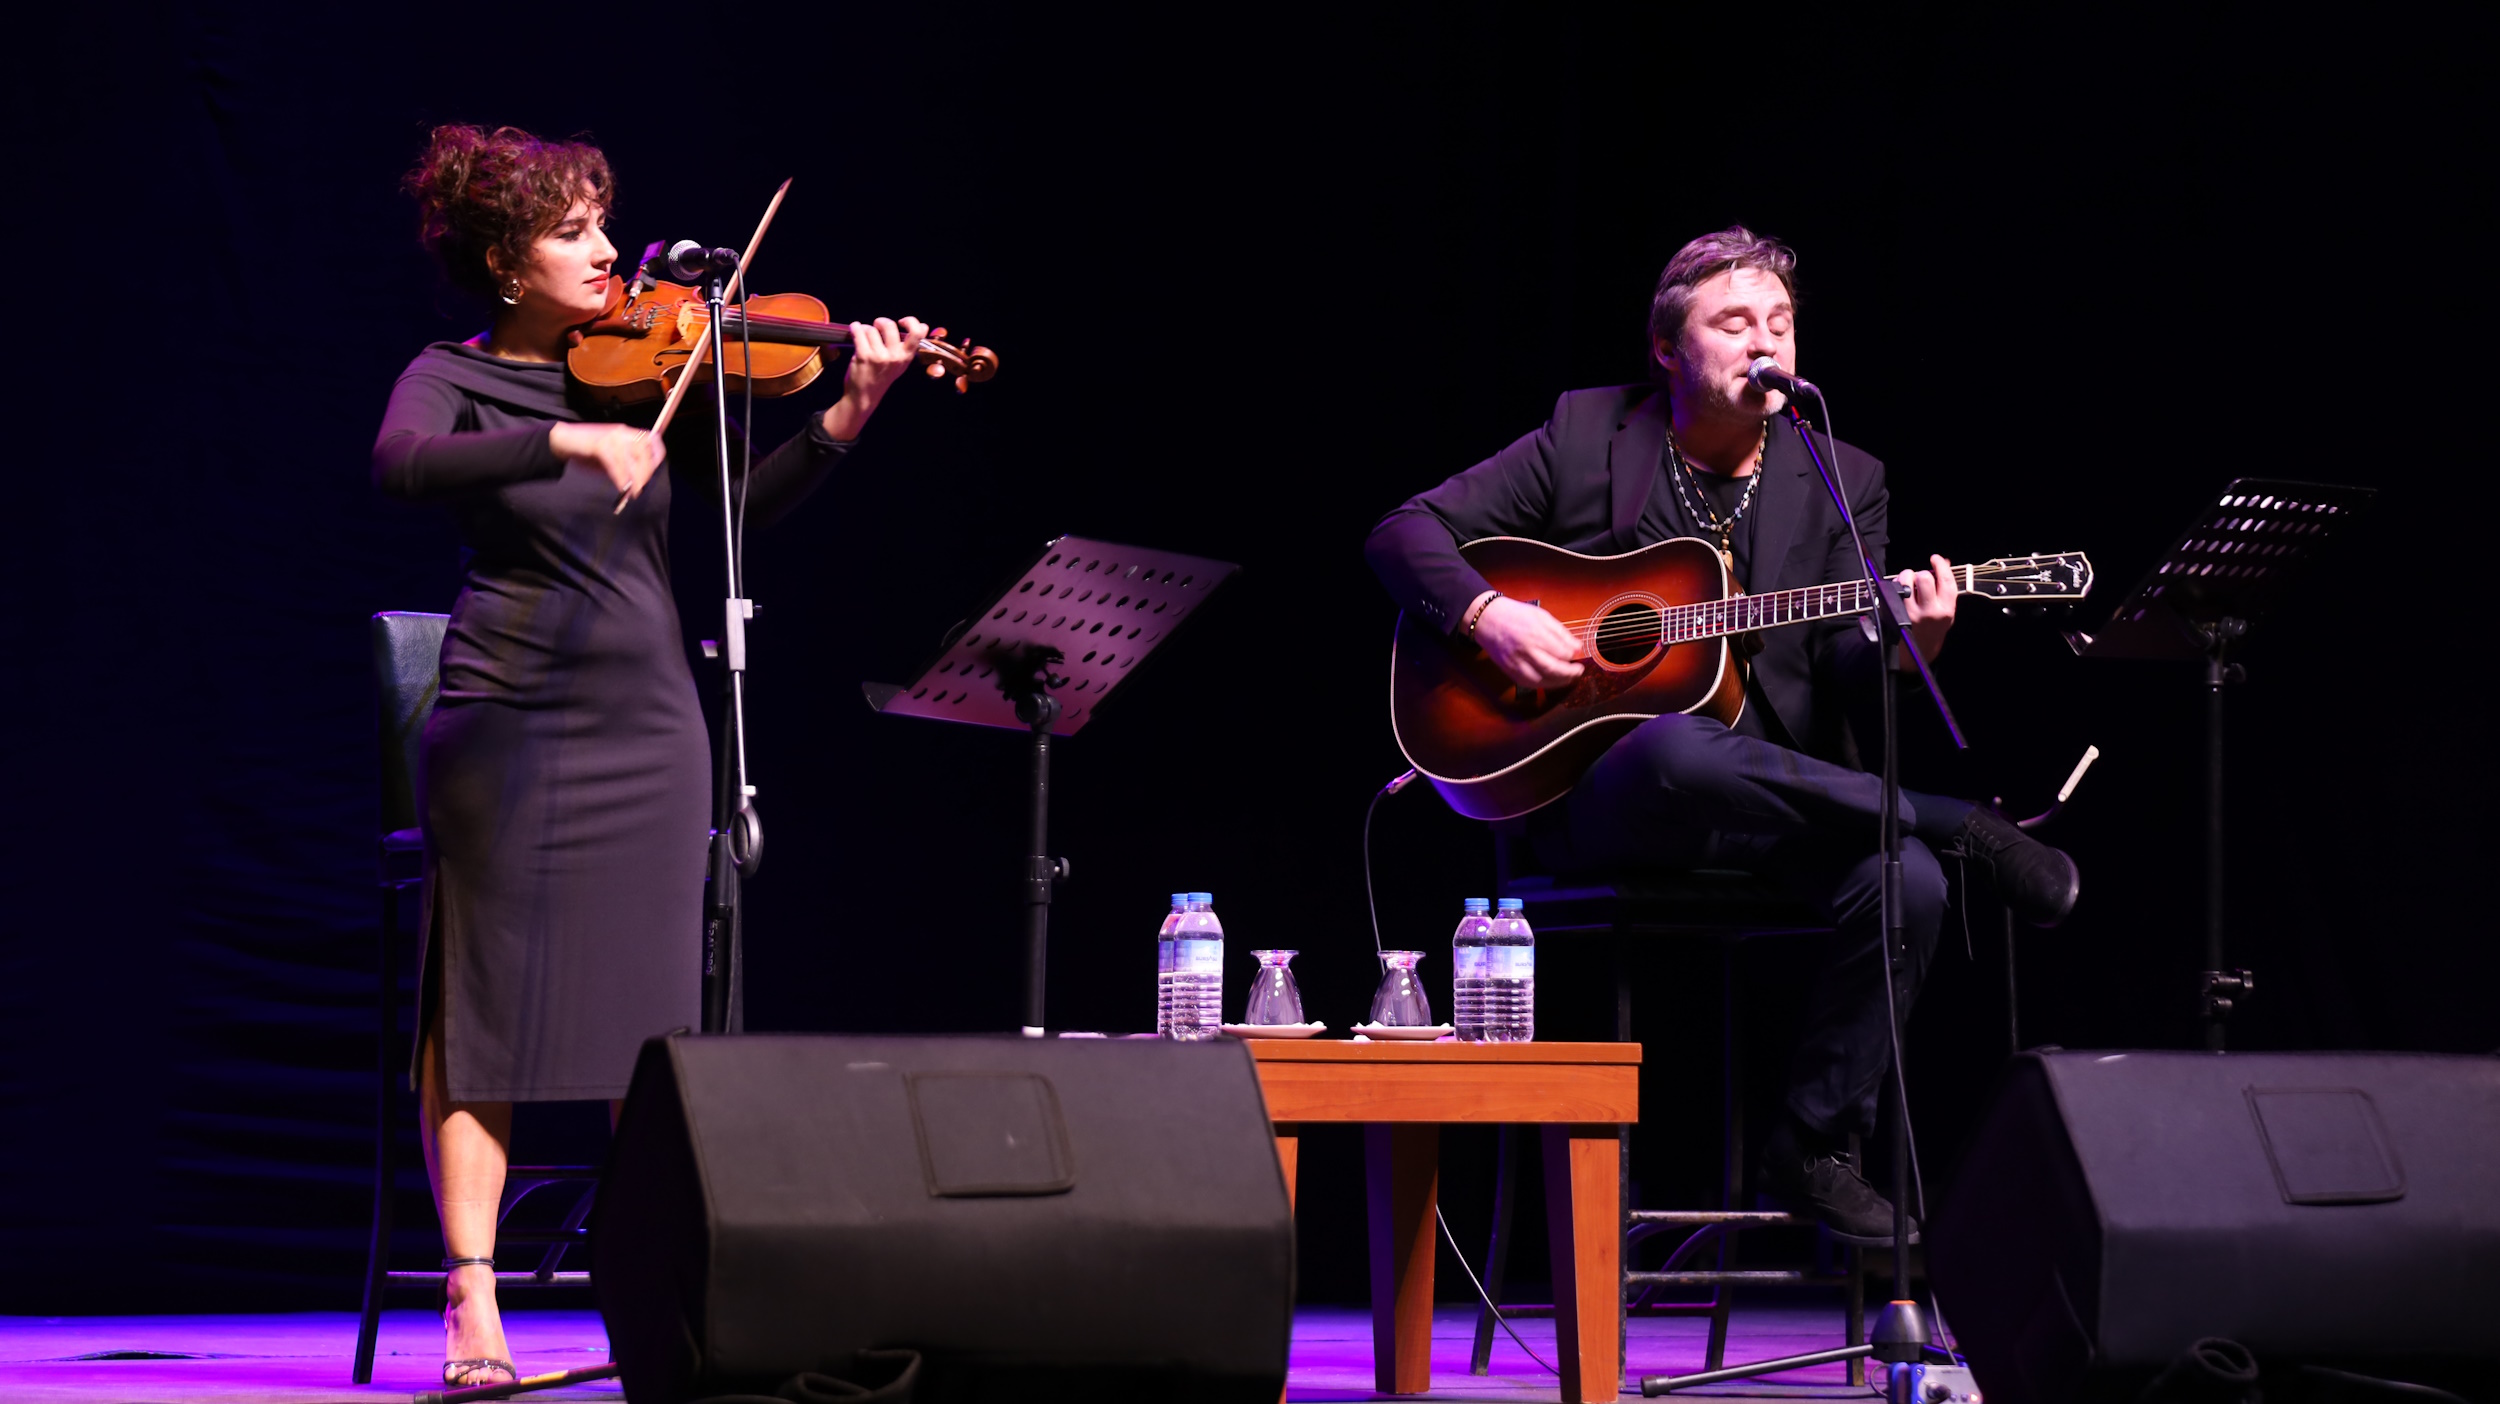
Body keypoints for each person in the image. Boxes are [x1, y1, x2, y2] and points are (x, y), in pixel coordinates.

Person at [1363, 226, 2079, 1244]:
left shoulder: (1843, 475)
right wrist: (1490, 616)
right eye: (1734, 321)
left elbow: (1839, 664)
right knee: (1667, 745)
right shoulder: (1584, 437)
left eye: (1780, 323)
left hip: (1774, 803)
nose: (1764, 344)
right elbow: (1400, 534)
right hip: (1606, 801)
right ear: (1668, 348)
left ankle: (1812, 1147)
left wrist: (1901, 639)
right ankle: (1957, 821)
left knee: (1907, 884)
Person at [372, 124, 927, 1390]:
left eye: (601, 223)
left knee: (654, 1030)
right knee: (483, 1019)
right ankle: (474, 1307)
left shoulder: (634, 376)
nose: (607, 250)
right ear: (506, 263)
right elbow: (400, 466)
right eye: (572, 230)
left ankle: (656, 1294)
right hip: (505, 717)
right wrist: (561, 442)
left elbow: (734, 525)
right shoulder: (452, 378)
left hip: (649, 727)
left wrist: (849, 408)